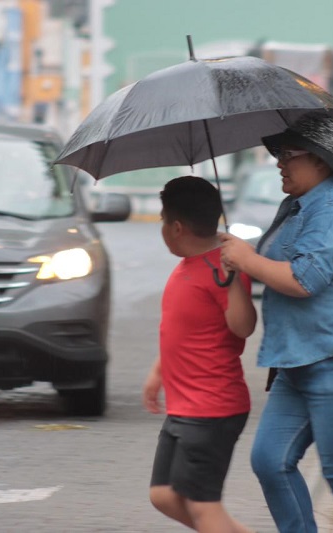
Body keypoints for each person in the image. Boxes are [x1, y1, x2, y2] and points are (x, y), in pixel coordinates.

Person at [219, 111, 333, 533]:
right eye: (276, 153)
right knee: (270, 461)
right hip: (298, 363)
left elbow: (304, 279)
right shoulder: (298, 207)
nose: (278, 161)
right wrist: (238, 266)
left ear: (319, 159)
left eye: (288, 153)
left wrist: (247, 258)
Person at [142, 175, 257, 533]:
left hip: (212, 407)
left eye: (163, 221)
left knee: (203, 507)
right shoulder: (188, 266)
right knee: (163, 495)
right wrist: (159, 371)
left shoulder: (223, 267)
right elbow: (185, 330)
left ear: (176, 227)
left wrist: (236, 277)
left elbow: (243, 327)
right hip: (185, 406)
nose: (162, 229)